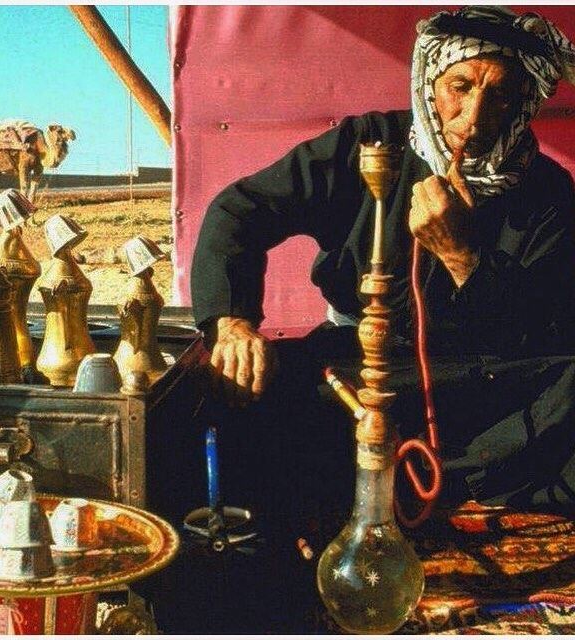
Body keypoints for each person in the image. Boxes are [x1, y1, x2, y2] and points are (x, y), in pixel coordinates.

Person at [191, 6, 575, 526]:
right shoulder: (369, 146)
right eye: (460, 86)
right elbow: (241, 211)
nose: (476, 113)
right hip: (358, 366)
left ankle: (458, 480)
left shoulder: (547, 191)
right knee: (235, 398)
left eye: (499, 94)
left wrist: (463, 257)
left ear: (520, 103)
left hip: (483, 383)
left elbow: (543, 334)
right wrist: (232, 322)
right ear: (429, 81)